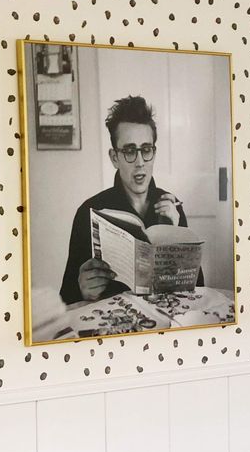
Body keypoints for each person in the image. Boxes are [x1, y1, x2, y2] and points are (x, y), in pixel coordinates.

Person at [59, 95, 201, 304]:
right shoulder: (89, 211)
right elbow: (66, 296)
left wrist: (178, 232)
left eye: (146, 150)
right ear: (114, 157)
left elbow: (197, 287)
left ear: (154, 152)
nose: (140, 162)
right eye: (129, 151)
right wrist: (82, 289)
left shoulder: (172, 206)